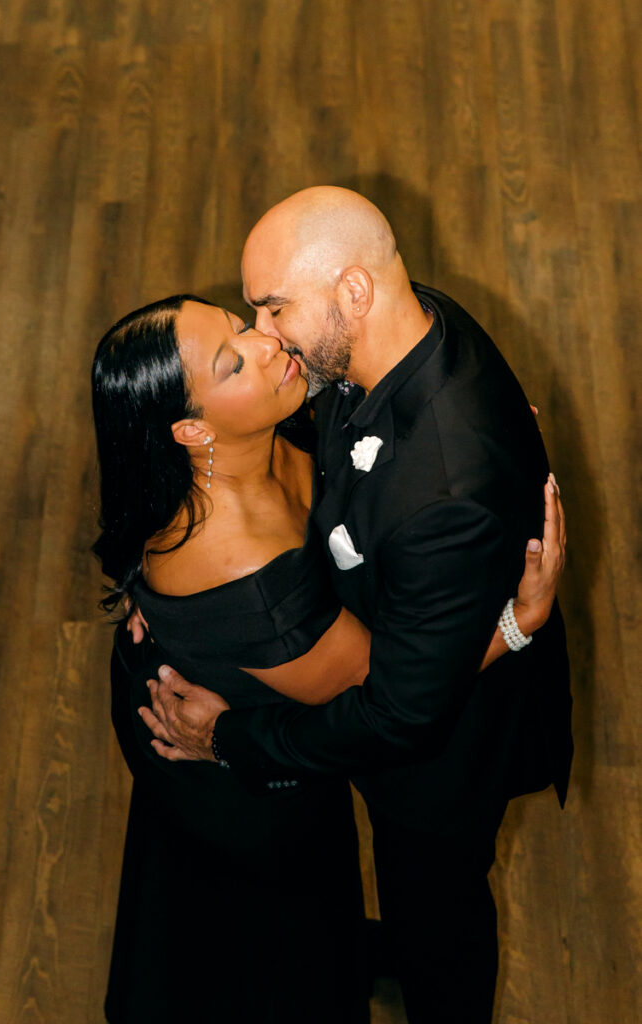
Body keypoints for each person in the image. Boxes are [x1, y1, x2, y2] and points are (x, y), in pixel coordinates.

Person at [139, 187, 573, 1024]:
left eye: (273, 308)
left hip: (440, 760)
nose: (262, 335)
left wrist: (222, 735)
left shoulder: (443, 492)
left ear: (354, 293)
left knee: (435, 911)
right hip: (397, 627)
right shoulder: (405, 328)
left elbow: (398, 715)